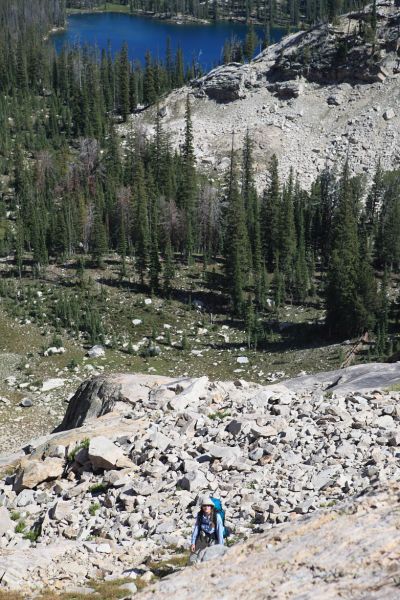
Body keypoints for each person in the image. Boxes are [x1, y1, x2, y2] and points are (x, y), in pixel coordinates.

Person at [190, 495, 224, 560]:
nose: (206, 507)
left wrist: (221, 547)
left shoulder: (216, 517)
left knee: (211, 559)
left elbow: (219, 532)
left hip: (214, 540)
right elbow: (196, 529)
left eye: (208, 506)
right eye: (204, 506)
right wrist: (193, 543)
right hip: (202, 539)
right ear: (202, 507)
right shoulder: (200, 516)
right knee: (195, 558)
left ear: (211, 507)